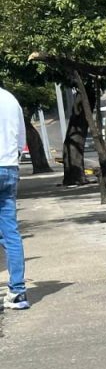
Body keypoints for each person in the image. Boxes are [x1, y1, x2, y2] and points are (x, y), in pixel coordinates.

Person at [0, 85, 29, 311]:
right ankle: (17, 292)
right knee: (10, 232)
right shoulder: (10, 99)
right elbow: (21, 138)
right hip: (9, 167)